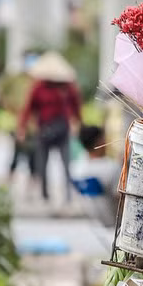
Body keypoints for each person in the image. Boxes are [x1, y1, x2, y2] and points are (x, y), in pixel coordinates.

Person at [17, 51, 83, 203]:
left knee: (66, 164)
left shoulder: (68, 87)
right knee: (42, 164)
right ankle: (45, 195)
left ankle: (67, 196)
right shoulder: (38, 88)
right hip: (44, 129)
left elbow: (76, 106)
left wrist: (78, 122)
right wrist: (22, 128)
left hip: (62, 129)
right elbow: (28, 109)